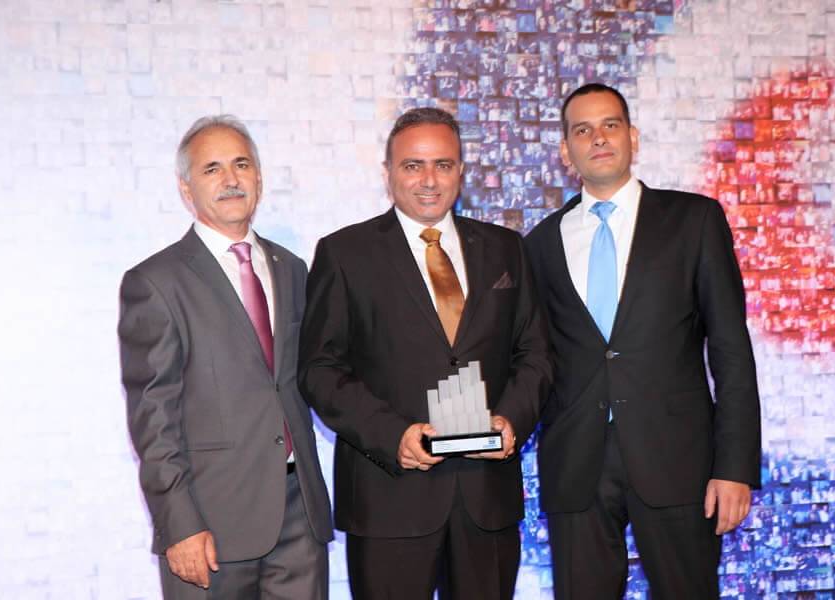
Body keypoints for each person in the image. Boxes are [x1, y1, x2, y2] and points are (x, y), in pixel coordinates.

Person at [298, 107, 552, 600]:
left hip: (487, 498)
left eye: (443, 164)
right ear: (388, 173)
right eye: (413, 165)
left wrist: (512, 420)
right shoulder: (345, 253)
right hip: (389, 497)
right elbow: (319, 369)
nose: (429, 180)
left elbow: (536, 352)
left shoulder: (506, 249)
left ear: (462, 170)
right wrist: (392, 435)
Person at [524, 83, 761, 599]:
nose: (598, 138)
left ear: (632, 137)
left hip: (680, 464)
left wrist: (735, 467)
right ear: (565, 151)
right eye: (582, 130)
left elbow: (731, 351)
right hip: (575, 467)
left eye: (610, 125)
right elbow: (534, 358)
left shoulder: (695, 220)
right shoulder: (538, 244)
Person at [118, 115, 333, 598]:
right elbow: (152, 419)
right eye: (211, 168)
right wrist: (179, 523)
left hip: (300, 515)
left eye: (241, 164)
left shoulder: (292, 268)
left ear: (259, 177)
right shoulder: (155, 283)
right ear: (186, 188)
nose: (231, 178)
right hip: (209, 522)